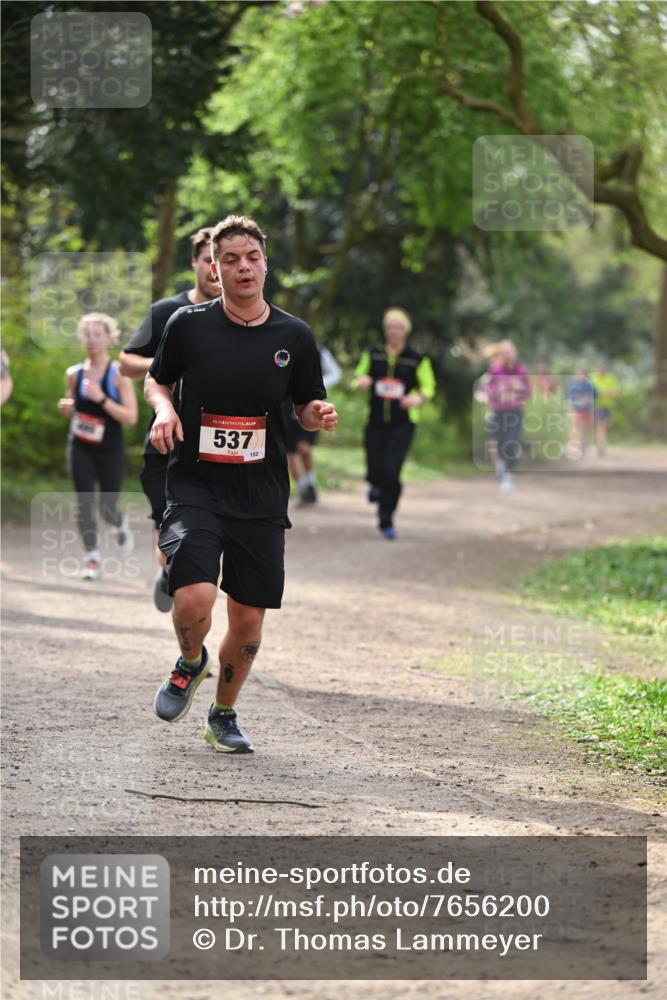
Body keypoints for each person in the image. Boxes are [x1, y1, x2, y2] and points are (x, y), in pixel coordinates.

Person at [145, 215, 337, 754]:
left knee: (248, 615)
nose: (242, 267)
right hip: (196, 483)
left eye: (251, 257)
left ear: (265, 264)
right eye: (230, 259)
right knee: (192, 598)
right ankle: (189, 662)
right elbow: (156, 379)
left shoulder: (293, 335)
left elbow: (302, 407)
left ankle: (222, 714)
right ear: (214, 267)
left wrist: (316, 413)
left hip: (260, 490)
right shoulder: (188, 323)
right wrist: (163, 410)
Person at [119, 227, 220, 611]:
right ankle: (172, 568)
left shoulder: (241, 316)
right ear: (194, 263)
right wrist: (165, 368)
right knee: (172, 535)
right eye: (207, 259)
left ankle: (184, 581)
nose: (215, 268)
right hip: (166, 446)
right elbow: (127, 361)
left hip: (219, 450)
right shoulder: (165, 312)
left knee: (207, 541)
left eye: (220, 259)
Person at [57, 313, 138, 580]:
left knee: (106, 506)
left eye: (97, 335)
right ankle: (92, 558)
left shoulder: (118, 375)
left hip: (110, 447)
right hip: (80, 445)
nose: (91, 340)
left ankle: (119, 523)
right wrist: (68, 408)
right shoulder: (74, 374)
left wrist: (101, 398)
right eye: (87, 334)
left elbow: (131, 417)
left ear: (109, 338)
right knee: (84, 500)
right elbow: (74, 404)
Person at [353, 307, 436, 538]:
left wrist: (417, 398)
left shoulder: (417, 359)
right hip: (376, 420)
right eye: (390, 327)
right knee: (374, 466)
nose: (394, 331)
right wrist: (361, 380)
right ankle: (375, 484)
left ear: (406, 331)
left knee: (392, 469)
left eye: (398, 327)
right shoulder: (374, 352)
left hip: (403, 423)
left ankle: (386, 518)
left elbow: (429, 387)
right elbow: (359, 375)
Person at [284, 345, 342, 505]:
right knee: (289, 452)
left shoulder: (320, 351)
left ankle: (311, 483)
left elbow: (336, 373)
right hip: (285, 404)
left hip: (308, 402)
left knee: (304, 447)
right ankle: (304, 490)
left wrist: (318, 385)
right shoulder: (279, 345)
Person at [484, 340, 532, 493]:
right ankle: (501, 469)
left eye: (510, 351)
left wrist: (518, 389)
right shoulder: (495, 369)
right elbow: (488, 388)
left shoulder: (521, 370)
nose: (507, 354)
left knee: (511, 443)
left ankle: (508, 475)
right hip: (498, 411)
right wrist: (499, 390)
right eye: (504, 352)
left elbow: (528, 391)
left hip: (515, 412)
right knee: (498, 443)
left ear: (515, 353)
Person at [565, 367, 597, 459]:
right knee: (575, 428)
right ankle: (575, 447)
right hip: (576, 409)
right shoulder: (573, 384)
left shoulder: (590, 385)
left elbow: (595, 396)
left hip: (586, 410)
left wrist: (589, 399)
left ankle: (583, 447)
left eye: (584, 374)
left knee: (584, 429)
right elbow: (568, 397)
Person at [590, 363, 619, 457]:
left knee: (604, 427)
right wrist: (606, 392)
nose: (601, 371)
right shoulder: (592, 377)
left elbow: (615, 392)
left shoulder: (610, 378)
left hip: (608, 406)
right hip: (597, 406)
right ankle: (600, 447)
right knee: (600, 426)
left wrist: (603, 392)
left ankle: (601, 445)